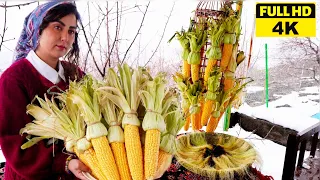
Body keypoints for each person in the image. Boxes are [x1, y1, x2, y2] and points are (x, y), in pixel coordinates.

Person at [0, 1, 90, 180]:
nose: (65, 37)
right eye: (58, 27)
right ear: (38, 30)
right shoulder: (14, 79)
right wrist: (64, 162)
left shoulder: (76, 75)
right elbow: (15, 144)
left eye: (71, 31)